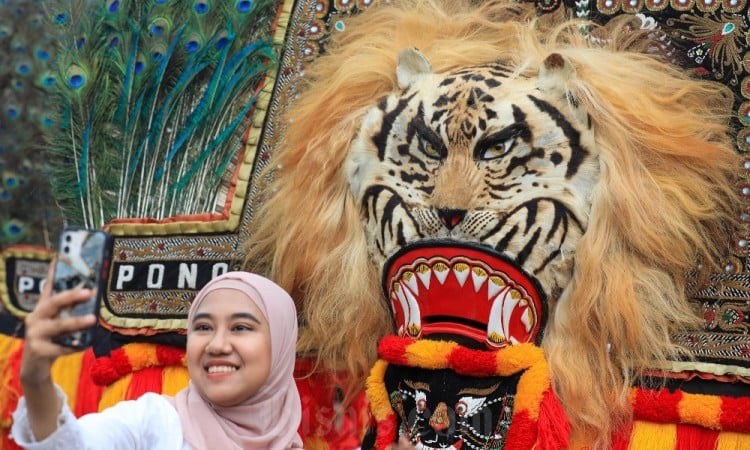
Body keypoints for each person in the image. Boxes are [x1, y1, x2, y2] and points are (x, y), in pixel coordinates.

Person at [11, 270, 305, 450]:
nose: (217, 345)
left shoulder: (290, 442)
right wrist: (36, 380)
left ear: (280, 346)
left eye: (241, 328)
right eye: (202, 327)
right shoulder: (156, 423)